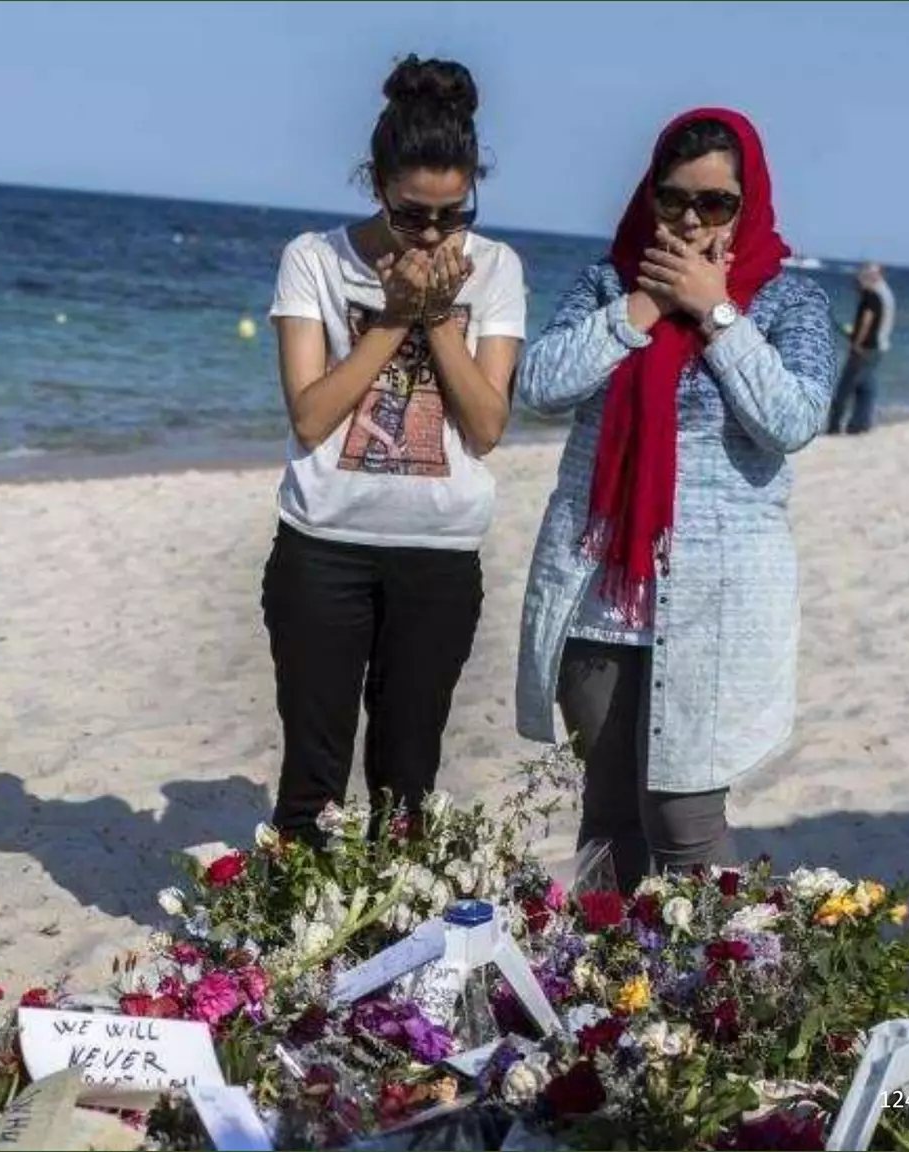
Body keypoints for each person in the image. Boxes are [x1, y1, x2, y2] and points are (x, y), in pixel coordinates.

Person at [512, 109, 839, 892]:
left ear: (747, 203)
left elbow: (792, 420)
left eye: (715, 203)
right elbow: (540, 385)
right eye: (672, 200)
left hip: (716, 601)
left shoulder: (791, 304)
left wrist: (716, 310)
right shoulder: (606, 282)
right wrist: (643, 309)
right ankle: (599, 995)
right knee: (609, 813)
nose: (690, 219)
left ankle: (725, 1004)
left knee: (684, 821)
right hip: (601, 592)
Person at [263, 56, 528, 845]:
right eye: (415, 215)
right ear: (376, 185)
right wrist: (392, 316)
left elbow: (485, 425)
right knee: (312, 779)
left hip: (439, 552)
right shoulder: (313, 259)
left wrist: (441, 317)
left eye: (455, 212)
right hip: (323, 546)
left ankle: (394, 957)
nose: (438, 233)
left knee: (408, 783)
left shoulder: (500, 268)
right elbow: (311, 418)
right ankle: (290, 959)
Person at [828, 262, 896, 434]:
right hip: (876, 347)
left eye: (860, 278)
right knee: (865, 387)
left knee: (845, 389)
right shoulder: (884, 294)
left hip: (865, 348)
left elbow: (867, 320)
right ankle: (860, 425)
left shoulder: (871, 295)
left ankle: (835, 427)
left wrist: (857, 342)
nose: (857, 283)